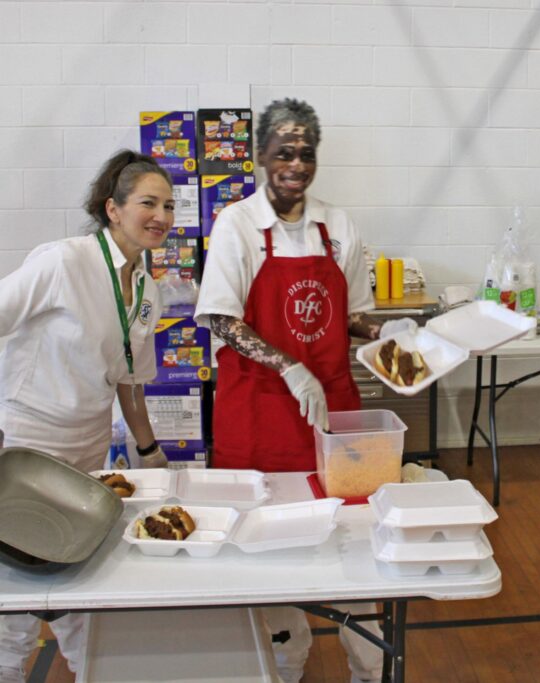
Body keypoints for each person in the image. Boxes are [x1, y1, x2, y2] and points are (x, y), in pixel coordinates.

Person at [196, 98, 411, 683]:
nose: (296, 164)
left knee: (355, 535)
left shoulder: (337, 227)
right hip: (259, 411)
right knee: (267, 541)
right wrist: (289, 365)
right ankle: (285, 659)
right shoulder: (237, 225)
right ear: (260, 156)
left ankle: (369, 665)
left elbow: (353, 314)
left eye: (307, 153)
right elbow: (220, 319)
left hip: (333, 411)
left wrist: (385, 332)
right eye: (284, 152)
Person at [0, 150, 172, 683]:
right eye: (148, 203)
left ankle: (88, 669)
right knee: (16, 582)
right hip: (29, 444)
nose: (162, 216)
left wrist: (149, 450)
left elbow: (129, 379)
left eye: (168, 206)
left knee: (81, 570)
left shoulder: (148, 291)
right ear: (113, 209)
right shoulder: (63, 262)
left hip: (89, 446)